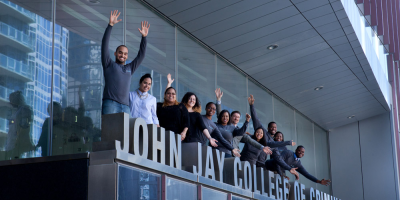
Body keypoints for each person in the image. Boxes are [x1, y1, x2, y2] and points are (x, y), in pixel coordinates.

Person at [101, 10, 150, 115]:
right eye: (120, 53)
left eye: (125, 54)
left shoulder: (129, 68)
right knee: (109, 131)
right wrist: (110, 25)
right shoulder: (108, 64)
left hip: (125, 106)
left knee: (124, 132)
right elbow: (104, 44)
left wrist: (144, 38)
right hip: (110, 103)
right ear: (115, 53)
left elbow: (141, 55)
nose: (122, 55)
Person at [265, 146, 331, 185]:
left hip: (275, 173)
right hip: (267, 167)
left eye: (303, 152)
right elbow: (278, 162)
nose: (301, 153)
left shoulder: (298, 163)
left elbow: (306, 174)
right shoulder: (288, 153)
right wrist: (282, 175)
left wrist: (319, 181)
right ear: (296, 150)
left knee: (285, 186)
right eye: (299, 151)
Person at [3, 91, 34, 159]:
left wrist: (18, 142)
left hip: (17, 144)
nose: (11, 102)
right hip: (12, 144)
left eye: (12, 100)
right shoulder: (15, 111)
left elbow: (24, 127)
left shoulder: (24, 109)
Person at [156, 75, 189, 140]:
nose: (171, 95)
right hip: (160, 136)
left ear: (175, 95)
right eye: (168, 93)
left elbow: (186, 121)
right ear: (165, 95)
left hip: (176, 136)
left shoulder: (180, 106)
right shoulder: (159, 106)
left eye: (173, 94)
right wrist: (169, 83)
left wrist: (184, 132)